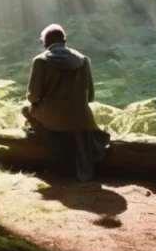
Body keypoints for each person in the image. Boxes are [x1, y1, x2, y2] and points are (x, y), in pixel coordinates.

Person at [22, 23, 110, 181]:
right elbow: (90, 96)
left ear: (45, 42)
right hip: (80, 119)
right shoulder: (83, 60)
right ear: (64, 40)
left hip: (51, 119)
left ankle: (39, 143)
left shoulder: (40, 61)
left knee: (24, 109)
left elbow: (33, 96)